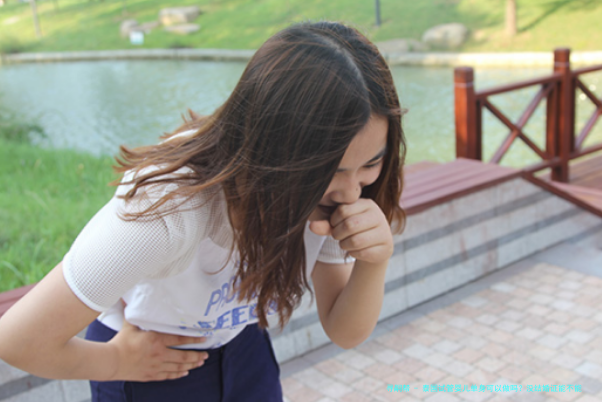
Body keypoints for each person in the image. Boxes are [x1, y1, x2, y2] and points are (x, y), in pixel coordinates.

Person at [0, 21, 406, 401]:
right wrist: (118, 361)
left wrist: (374, 260)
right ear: (274, 151)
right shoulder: (168, 212)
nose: (352, 191)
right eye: (331, 171)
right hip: (146, 357)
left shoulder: (334, 196)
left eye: (372, 163)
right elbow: (17, 339)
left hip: (240, 343)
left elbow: (344, 330)